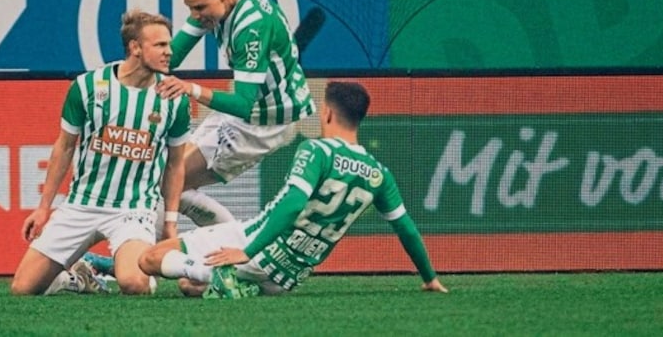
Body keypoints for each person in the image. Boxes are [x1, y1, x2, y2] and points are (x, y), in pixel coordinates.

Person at [84, 0, 317, 275]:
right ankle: (232, 258)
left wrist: (190, 89)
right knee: (171, 177)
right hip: (244, 110)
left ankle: (133, 265)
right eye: (189, 8)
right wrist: (131, 69)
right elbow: (172, 55)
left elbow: (243, 105)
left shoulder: (250, 27)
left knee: (168, 180)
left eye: (199, 8)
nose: (195, 15)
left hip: (263, 122)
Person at [138, 81, 449, 298]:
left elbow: (292, 205)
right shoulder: (379, 174)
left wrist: (245, 251)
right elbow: (406, 228)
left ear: (327, 113)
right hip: (286, 278)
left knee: (150, 259)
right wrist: (430, 278)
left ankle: (221, 275)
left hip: (253, 246)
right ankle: (232, 283)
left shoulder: (317, 151)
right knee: (187, 285)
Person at [9, 10, 191, 296]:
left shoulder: (174, 98)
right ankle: (78, 278)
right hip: (82, 204)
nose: (170, 52)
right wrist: (44, 207)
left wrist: (170, 223)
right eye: (160, 45)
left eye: (168, 45)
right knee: (23, 288)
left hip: (133, 210)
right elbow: (64, 147)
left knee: (133, 284)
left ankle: (135, 272)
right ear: (135, 48)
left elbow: (176, 164)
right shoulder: (87, 87)